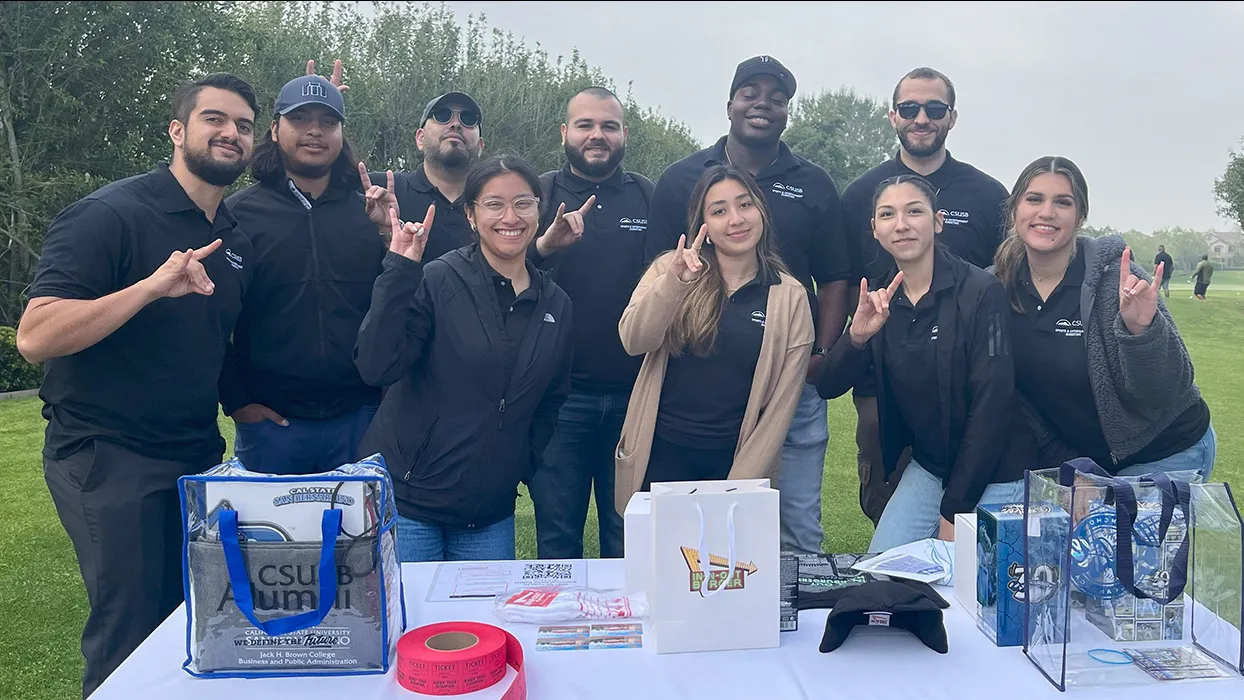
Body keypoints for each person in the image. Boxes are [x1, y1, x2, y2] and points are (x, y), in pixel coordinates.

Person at [16, 73, 258, 698]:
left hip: (195, 454)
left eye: (243, 125)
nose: (230, 133)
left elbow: (214, 343)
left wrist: (248, 402)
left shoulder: (233, 237)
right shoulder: (109, 215)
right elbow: (36, 336)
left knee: (194, 626)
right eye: (214, 119)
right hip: (109, 456)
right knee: (130, 634)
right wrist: (149, 287)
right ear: (177, 130)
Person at [645, 55, 850, 555]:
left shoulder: (815, 183)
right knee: (692, 534)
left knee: (795, 528)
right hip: (700, 383)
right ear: (730, 104)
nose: (763, 105)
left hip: (790, 378)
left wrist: (819, 356)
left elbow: (836, 278)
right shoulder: (681, 178)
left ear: (787, 112)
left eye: (776, 98)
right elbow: (658, 274)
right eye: (751, 94)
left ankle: (795, 605)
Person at [354, 154, 573, 562]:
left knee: (485, 610)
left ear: (538, 211)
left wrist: (521, 463)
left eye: (523, 203)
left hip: (488, 514)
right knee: (408, 607)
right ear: (471, 215)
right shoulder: (439, 279)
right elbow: (376, 365)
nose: (510, 217)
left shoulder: (556, 304)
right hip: (410, 502)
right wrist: (398, 269)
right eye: (494, 204)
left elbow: (552, 397)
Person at [817, 175, 1033, 552]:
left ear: (937, 222)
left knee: (966, 578)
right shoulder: (881, 298)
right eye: (888, 214)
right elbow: (827, 386)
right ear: (875, 229)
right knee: (882, 571)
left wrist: (955, 510)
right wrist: (857, 337)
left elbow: (992, 406)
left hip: (995, 469)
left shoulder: (981, 292)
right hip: (931, 466)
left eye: (914, 211)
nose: (901, 224)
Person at [839, 66, 1010, 526]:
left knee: (964, 507)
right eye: (910, 108)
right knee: (888, 495)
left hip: (966, 379)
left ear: (951, 117)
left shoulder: (988, 194)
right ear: (893, 115)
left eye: (934, 109)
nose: (921, 118)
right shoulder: (859, 195)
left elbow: (1009, 278)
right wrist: (848, 345)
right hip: (884, 382)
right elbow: (845, 281)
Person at [994, 156, 1216, 480]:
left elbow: (1168, 392)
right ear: (1015, 209)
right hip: (1087, 463)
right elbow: (1020, 402)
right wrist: (1075, 468)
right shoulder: (996, 288)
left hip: (1167, 452)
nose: (1047, 212)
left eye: (1063, 202)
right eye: (1035, 199)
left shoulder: (1119, 281)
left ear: (1081, 216)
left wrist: (1142, 332)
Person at [220, 74, 390, 474]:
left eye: (328, 121)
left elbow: (397, 308)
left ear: (341, 134)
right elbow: (210, 318)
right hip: (271, 426)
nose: (315, 131)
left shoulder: (371, 215)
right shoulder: (237, 215)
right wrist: (237, 400)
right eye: (300, 119)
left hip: (361, 417)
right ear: (274, 129)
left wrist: (389, 239)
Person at [614, 165, 813, 507]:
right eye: (719, 211)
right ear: (702, 224)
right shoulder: (671, 269)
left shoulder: (790, 296)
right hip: (660, 455)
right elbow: (634, 341)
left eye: (745, 205)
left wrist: (736, 491)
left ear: (761, 212)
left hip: (736, 462)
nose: (736, 219)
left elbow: (781, 409)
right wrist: (675, 284)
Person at [526, 86, 654, 560]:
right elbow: (502, 278)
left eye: (608, 126)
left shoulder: (647, 196)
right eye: (585, 125)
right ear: (564, 132)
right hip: (559, 400)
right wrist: (545, 246)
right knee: (558, 538)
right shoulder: (537, 194)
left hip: (635, 399)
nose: (597, 135)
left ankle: (629, 613)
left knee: (629, 540)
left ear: (624, 135)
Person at [370, 91, 485, 262]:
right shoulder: (379, 189)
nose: (455, 124)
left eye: (468, 119)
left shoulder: (495, 205)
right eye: (442, 115)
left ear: (481, 146)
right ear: (420, 138)